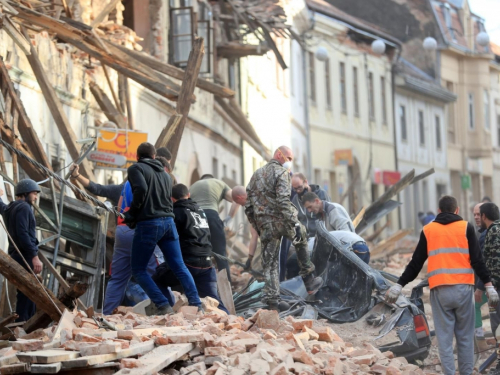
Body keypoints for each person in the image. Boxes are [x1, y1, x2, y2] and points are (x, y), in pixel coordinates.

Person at [385, 195, 498, 375]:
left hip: (440, 291)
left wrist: (399, 284)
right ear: (457, 210)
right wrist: (489, 286)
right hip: (463, 290)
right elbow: (478, 261)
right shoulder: (466, 227)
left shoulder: (429, 230)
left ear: (438, 211)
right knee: (465, 339)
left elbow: (416, 263)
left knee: (445, 340)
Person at [123, 142, 201, 315]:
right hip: (169, 223)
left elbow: (142, 190)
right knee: (179, 266)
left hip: (149, 224)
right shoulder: (166, 176)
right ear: (154, 156)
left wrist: (132, 214)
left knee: (138, 269)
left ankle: (163, 305)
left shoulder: (136, 169)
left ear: (137, 156)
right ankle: (197, 304)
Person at [245, 145, 323, 311]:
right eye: (289, 158)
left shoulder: (255, 175)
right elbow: (282, 200)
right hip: (281, 221)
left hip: (265, 225)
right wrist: (293, 221)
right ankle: (309, 279)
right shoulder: (281, 173)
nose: (290, 162)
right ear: (279, 155)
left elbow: (248, 206)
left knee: (270, 263)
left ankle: (273, 302)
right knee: (301, 235)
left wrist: (257, 226)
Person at [152, 184, 228, 314]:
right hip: (207, 264)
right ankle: (227, 318)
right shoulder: (201, 211)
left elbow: (168, 237)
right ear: (188, 195)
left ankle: (168, 311)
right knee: (213, 300)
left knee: (157, 278)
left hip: (188, 263)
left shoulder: (176, 213)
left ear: (171, 199)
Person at [0, 180, 43, 322]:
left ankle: (22, 325)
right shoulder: (24, 208)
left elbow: (1, 207)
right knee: (30, 294)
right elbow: (23, 234)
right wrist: (34, 256)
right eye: (34, 193)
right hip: (24, 256)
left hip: (15, 256)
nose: (36, 197)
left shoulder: (10, 208)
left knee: (25, 293)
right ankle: (24, 326)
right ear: (25, 193)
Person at [190, 175, 238, 280]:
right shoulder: (219, 183)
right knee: (221, 255)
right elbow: (236, 199)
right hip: (212, 216)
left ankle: (198, 289)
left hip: (195, 218)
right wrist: (228, 218)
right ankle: (227, 290)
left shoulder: (192, 186)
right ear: (212, 178)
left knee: (197, 255)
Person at [479, 203, 500, 348]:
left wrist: (490, 286)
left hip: (496, 288)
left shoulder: (492, 232)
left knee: (497, 325)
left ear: (484, 216)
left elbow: (493, 262)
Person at [291, 173, 330, 237]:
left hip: (320, 236)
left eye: (300, 187)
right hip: (304, 238)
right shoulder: (295, 199)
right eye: (295, 189)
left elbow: (328, 215)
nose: (298, 191)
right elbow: (294, 220)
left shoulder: (321, 194)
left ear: (305, 182)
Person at [472, 203, 489, 340]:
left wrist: (480, 287)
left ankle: (480, 339)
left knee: (474, 305)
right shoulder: (481, 233)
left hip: (489, 283)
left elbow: (485, 263)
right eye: (475, 215)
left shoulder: (485, 234)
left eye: (479, 214)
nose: (477, 217)